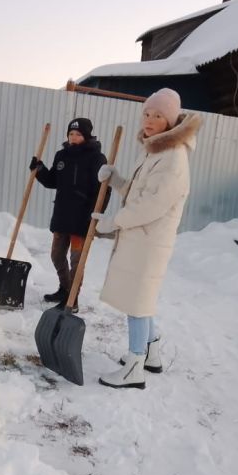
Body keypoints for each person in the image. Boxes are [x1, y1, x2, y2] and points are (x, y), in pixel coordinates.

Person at [92, 88, 202, 389]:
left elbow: (151, 206)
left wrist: (114, 222)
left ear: (170, 121)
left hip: (149, 240)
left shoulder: (174, 159)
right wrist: (116, 180)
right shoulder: (157, 151)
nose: (150, 120)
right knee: (141, 298)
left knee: (137, 302)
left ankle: (134, 367)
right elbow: (140, 193)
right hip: (141, 238)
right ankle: (151, 352)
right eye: (147, 113)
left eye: (158, 115)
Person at [31, 118, 107, 313]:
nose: (73, 137)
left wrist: (95, 215)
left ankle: (72, 300)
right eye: (71, 134)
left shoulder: (96, 158)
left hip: (82, 218)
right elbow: (52, 181)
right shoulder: (61, 155)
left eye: (78, 134)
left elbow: (103, 191)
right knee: (57, 255)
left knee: (76, 261)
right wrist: (39, 169)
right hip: (62, 215)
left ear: (87, 136)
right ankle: (65, 289)